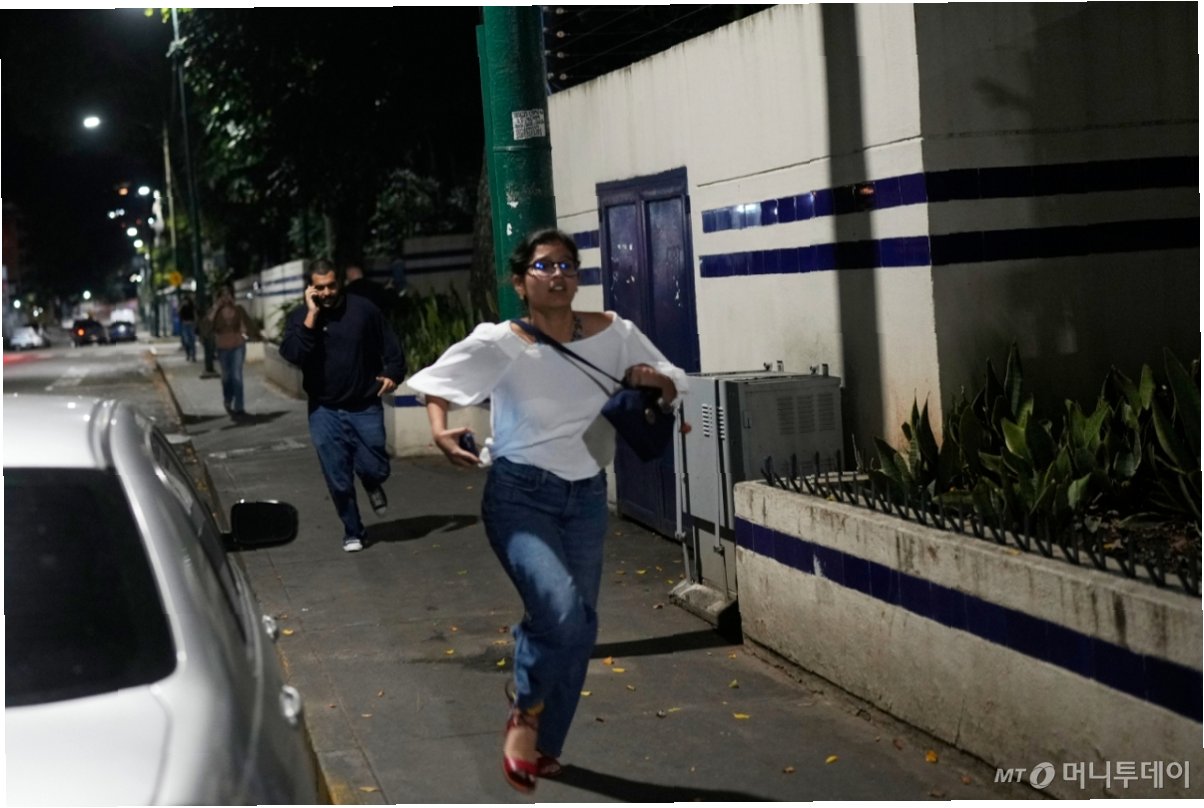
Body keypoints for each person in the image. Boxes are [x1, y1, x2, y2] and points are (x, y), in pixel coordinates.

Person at [406, 228, 688, 793]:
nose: (558, 274)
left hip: (585, 497)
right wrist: (439, 431)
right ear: (520, 282)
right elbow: (436, 383)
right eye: (543, 266)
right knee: (560, 612)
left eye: (566, 264)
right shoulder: (500, 342)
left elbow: (674, 383)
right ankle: (526, 707)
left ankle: (546, 744)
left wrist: (655, 381)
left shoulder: (616, 333)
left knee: (580, 627)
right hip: (519, 496)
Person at [279, 259, 406, 553]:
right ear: (310, 288)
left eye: (331, 286)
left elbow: (390, 345)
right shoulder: (301, 317)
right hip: (324, 410)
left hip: (365, 404)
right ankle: (353, 531)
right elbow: (294, 354)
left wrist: (393, 372)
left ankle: (371, 482)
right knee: (337, 477)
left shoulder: (363, 310)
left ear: (340, 283)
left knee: (376, 468)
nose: (326, 293)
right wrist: (311, 316)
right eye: (320, 288)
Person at [203, 285, 260, 416]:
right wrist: (216, 307)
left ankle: (239, 406)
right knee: (226, 377)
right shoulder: (215, 312)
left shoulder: (238, 309)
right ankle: (228, 399)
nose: (226, 297)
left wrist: (254, 335)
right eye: (223, 295)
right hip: (222, 347)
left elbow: (248, 324)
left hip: (238, 345)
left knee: (237, 375)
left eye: (228, 294)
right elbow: (206, 327)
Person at [178, 293, 197, 362]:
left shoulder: (192, 305)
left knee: (192, 340)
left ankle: (193, 355)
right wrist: (182, 305)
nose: (186, 302)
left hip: (191, 324)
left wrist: (195, 323)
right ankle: (188, 354)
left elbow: (194, 313)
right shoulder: (182, 307)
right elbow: (178, 312)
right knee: (187, 341)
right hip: (185, 324)